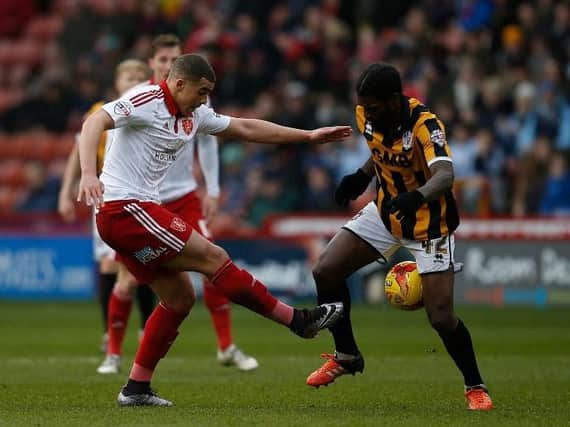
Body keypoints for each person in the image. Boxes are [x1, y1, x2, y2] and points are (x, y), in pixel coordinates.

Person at [77, 53, 351, 407]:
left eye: (208, 92)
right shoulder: (146, 99)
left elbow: (247, 128)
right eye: (201, 91)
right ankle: (298, 320)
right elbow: (94, 121)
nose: (204, 99)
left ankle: (136, 388)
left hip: (131, 216)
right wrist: (87, 173)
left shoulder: (194, 115)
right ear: (178, 84)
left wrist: (309, 136)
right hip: (126, 209)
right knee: (214, 257)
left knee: (180, 299)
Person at [304, 63, 494, 411]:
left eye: (374, 107)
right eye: (364, 106)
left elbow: (445, 175)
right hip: (386, 211)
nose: (367, 114)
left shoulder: (426, 124)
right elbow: (380, 153)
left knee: (440, 316)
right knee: (325, 271)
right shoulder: (366, 114)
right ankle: (346, 355)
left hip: (429, 223)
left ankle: (475, 385)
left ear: (395, 99)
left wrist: (417, 196)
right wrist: (362, 176)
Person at [97, 34, 258, 375]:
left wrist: (212, 189)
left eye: (175, 57)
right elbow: (106, 134)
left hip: (182, 196)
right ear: (154, 64)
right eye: (162, 59)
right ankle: (113, 354)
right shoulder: (137, 99)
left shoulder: (196, 102)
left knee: (211, 261)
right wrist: (95, 181)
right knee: (127, 280)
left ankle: (226, 346)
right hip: (137, 204)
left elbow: (215, 138)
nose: (168, 63)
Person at [58, 59, 156, 353]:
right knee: (109, 263)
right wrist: (66, 191)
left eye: (140, 75)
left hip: (145, 191)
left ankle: (145, 328)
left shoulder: (151, 107)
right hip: (106, 192)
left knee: (145, 261)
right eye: (129, 75)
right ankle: (109, 333)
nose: (135, 80)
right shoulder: (100, 112)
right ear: (117, 82)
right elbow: (78, 152)